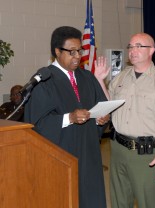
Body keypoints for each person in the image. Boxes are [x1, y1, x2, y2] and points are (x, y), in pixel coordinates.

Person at [24, 26, 109, 208]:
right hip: (60, 158)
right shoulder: (44, 80)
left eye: (80, 50)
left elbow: (101, 107)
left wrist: (102, 120)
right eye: (72, 52)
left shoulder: (87, 77)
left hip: (89, 156)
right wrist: (69, 118)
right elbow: (36, 125)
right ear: (57, 51)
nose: (78, 56)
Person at [95, 33, 155, 208]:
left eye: (139, 46)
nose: (133, 51)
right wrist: (99, 80)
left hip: (145, 153)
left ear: (151, 51)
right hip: (118, 149)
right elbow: (110, 103)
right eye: (131, 47)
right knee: (119, 201)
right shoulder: (122, 76)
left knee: (147, 202)